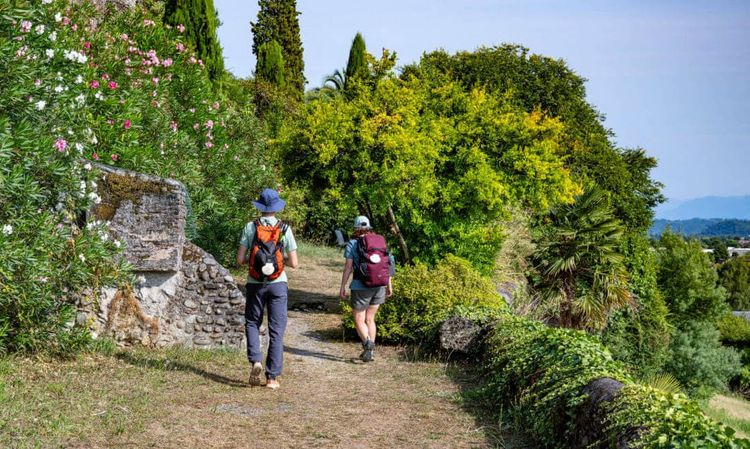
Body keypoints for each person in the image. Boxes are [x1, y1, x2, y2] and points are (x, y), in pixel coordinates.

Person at [236, 188, 298, 389]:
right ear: (276, 207)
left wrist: (254, 260)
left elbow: (239, 260)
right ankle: (272, 378)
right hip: (278, 284)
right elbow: (295, 263)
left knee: (252, 322)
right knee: (276, 330)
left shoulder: (250, 227)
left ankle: (255, 360)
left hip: (255, 284)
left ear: (260, 207)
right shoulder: (285, 229)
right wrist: (278, 260)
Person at [339, 216, 392, 362]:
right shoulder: (380, 242)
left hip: (360, 286)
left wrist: (342, 286)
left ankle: (368, 344)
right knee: (370, 319)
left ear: (356, 228)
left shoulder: (353, 243)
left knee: (358, 320)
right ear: (369, 227)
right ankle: (371, 353)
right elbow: (388, 264)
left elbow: (348, 266)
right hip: (379, 285)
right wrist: (389, 285)